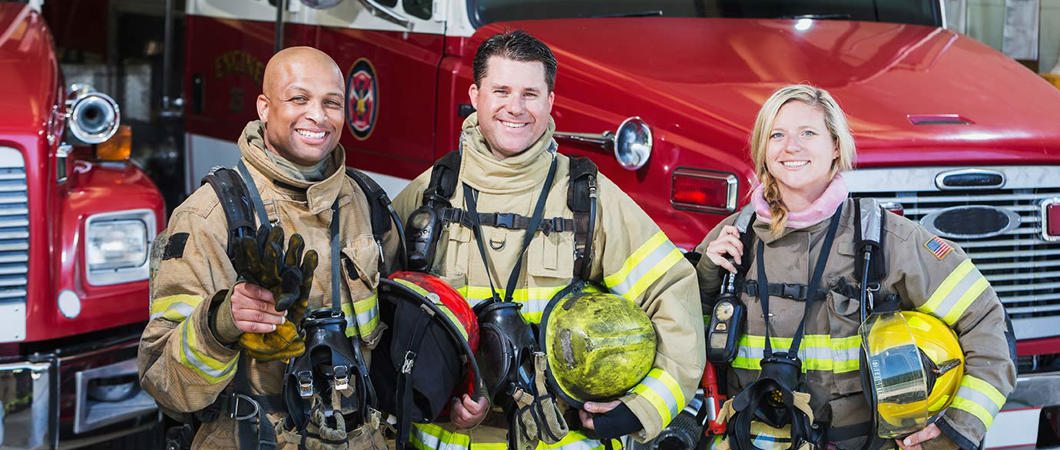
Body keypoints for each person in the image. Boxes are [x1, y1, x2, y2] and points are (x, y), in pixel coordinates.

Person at [391, 30, 705, 448]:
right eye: (501, 90)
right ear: (476, 95)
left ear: (551, 102)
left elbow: (673, 293)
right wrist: (433, 390)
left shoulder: (587, 198)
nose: (515, 108)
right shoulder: (430, 194)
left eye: (530, 94)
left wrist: (643, 407)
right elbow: (377, 313)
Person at [694, 84, 1016, 450]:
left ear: (835, 146)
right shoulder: (731, 237)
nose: (791, 147)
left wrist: (958, 428)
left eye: (808, 133)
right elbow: (680, 340)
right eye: (776, 134)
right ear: (763, 150)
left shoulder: (885, 239)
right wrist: (706, 279)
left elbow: (988, 324)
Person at [138, 46, 399, 449]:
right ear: (263, 107)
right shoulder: (209, 215)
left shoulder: (365, 203)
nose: (317, 115)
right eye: (298, 99)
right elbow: (166, 387)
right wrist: (222, 322)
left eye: (331, 102)